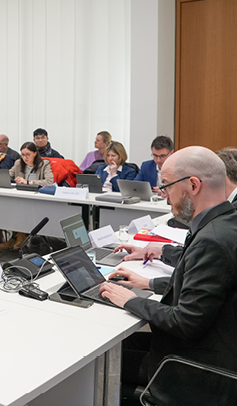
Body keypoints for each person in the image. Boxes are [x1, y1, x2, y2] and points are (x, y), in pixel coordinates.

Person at [99, 146, 237, 388]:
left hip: (193, 367)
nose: (165, 195)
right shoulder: (225, 223)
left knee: (99, 360)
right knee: (120, 344)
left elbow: (186, 323)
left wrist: (130, 300)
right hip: (214, 347)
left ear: (193, 185)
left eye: (167, 186)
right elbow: (204, 285)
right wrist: (147, 284)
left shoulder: (211, 240)